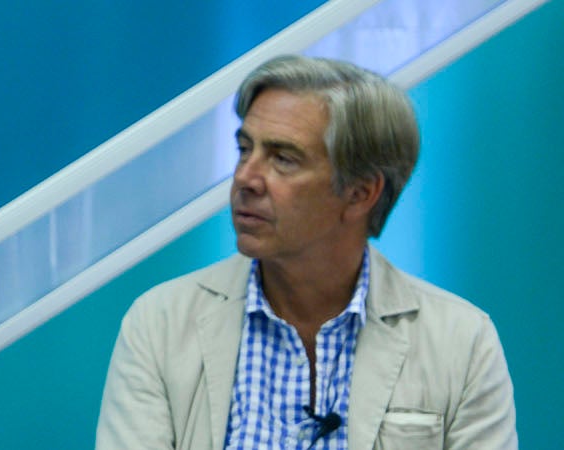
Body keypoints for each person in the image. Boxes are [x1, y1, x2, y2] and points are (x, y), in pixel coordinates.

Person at [96, 55, 516, 449]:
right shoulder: (160, 325)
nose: (245, 178)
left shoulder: (462, 342)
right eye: (245, 150)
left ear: (360, 192)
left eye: (283, 159)